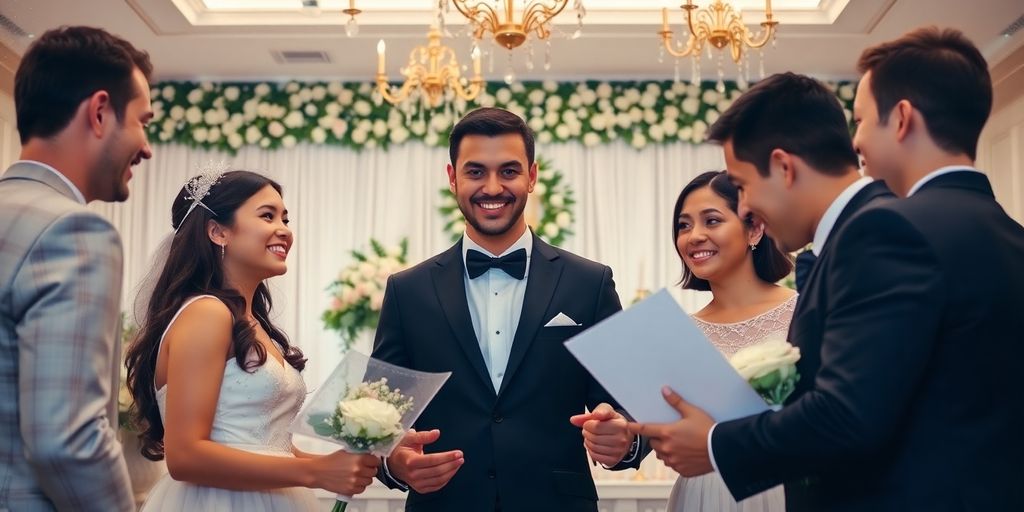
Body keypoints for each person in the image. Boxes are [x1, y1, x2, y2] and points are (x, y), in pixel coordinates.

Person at [630, 28, 1024, 511]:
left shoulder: (885, 232)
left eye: (743, 185)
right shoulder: (1006, 233)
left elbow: (848, 413)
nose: (746, 206)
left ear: (784, 167)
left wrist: (715, 443)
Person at [371, 107, 640, 511]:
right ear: (452, 178)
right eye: (476, 172)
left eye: (509, 172)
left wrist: (625, 435)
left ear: (532, 176)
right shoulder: (407, 290)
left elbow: (628, 403)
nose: (493, 187)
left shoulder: (590, 282)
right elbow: (375, 416)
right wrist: (395, 462)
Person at [124, 170, 380, 510]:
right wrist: (315, 471)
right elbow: (185, 456)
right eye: (267, 215)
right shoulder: (207, 314)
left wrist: (335, 463)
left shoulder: (251, 323)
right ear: (217, 231)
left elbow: (264, 445)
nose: (285, 230)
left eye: (285, 218)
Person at [0, 26, 153, 511]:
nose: (146, 146)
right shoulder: (74, 233)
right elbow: (67, 443)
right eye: (142, 121)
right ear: (100, 112)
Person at [667, 170, 794, 512]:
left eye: (711, 220)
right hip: (701, 496)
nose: (694, 236)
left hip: (785, 491)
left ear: (754, 229)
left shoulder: (803, 312)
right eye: (683, 225)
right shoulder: (679, 334)